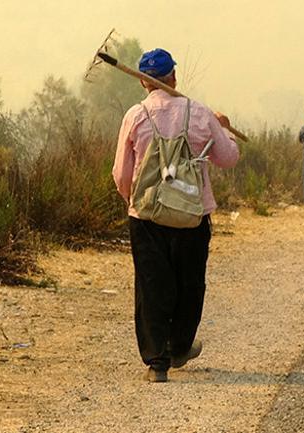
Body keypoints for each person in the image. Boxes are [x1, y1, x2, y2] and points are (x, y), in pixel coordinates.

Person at [112, 48, 240, 382]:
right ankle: (180, 345)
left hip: (146, 218)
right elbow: (227, 158)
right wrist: (223, 129)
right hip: (192, 216)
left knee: (152, 285)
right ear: (173, 77)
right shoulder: (198, 112)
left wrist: (136, 202)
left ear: (143, 81)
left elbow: (121, 175)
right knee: (190, 282)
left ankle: (157, 362)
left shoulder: (135, 116)